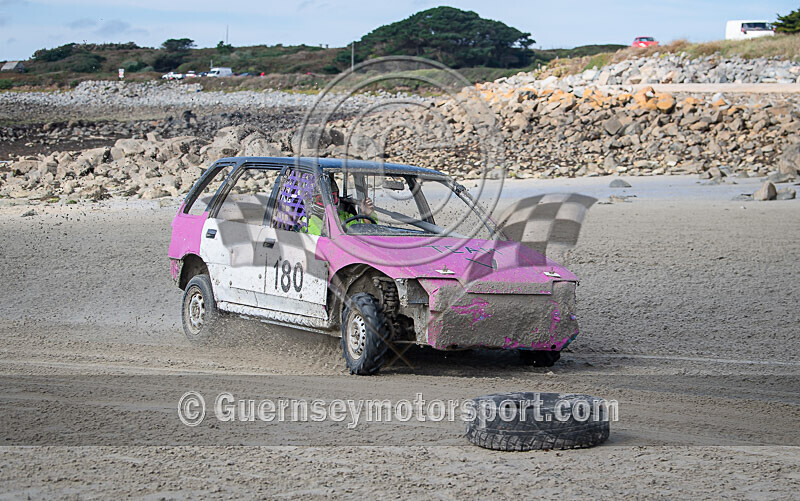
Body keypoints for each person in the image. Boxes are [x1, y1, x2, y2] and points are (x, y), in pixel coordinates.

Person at [305, 176, 375, 235]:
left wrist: (366, 217)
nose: (328, 204)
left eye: (333, 197)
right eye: (321, 200)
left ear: (337, 197)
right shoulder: (307, 222)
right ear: (312, 201)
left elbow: (365, 234)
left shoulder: (345, 217)